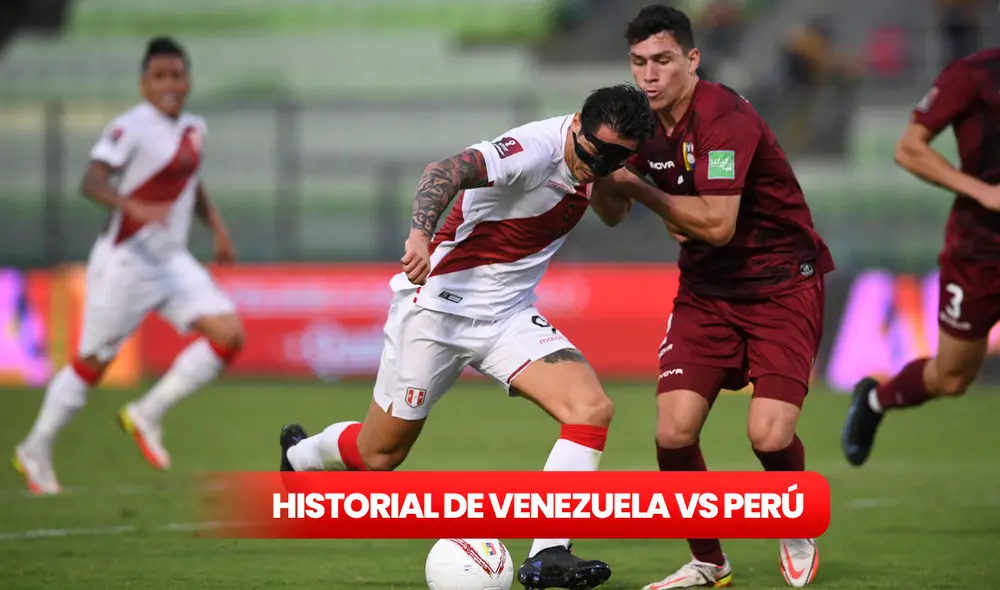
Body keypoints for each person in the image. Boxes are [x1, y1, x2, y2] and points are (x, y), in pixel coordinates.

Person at [277, 84, 656, 590]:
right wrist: (418, 235)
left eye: (613, 157)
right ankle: (300, 457)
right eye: (593, 150)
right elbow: (445, 170)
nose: (597, 162)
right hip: (435, 310)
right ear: (575, 126)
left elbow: (612, 213)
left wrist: (613, 174)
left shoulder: (598, 163)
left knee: (590, 409)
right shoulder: (533, 149)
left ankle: (548, 556)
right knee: (378, 456)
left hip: (507, 318)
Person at [591, 5, 834, 588]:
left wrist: (643, 190)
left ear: (691, 59)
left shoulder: (724, 119)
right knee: (672, 432)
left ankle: (793, 522)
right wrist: (603, 172)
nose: (649, 75)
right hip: (706, 293)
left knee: (769, 435)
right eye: (639, 62)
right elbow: (612, 215)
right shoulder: (637, 123)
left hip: (781, 284)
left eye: (663, 61)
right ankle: (709, 561)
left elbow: (719, 225)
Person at [12, 37, 244, 495]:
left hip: (172, 260)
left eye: (177, 75)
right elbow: (92, 180)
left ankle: (147, 412)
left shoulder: (194, 128)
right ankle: (34, 448)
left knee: (228, 335)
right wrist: (130, 206)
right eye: (159, 76)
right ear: (144, 83)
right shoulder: (130, 127)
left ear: (188, 79)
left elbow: (191, 184)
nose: (170, 84)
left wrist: (216, 227)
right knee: (92, 363)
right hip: (126, 263)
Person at [841, 48, 1000, 467]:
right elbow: (910, 149)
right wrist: (982, 191)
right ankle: (875, 400)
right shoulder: (973, 74)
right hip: (981, 249)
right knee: (952, 377)